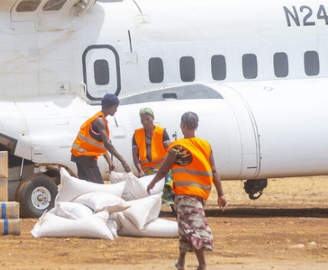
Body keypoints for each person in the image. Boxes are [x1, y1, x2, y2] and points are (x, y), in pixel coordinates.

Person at [146, 111, 227, 270]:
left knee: (193, 229)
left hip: (185, 194)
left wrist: (152, 183)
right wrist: (221, 194)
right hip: (200, 195)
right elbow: (214, 171)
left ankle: (203, 265)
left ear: (183, 126)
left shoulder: (177, 147)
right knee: (184, 228)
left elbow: (163, 170)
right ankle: (181, 262)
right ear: (196, 126)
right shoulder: (205, 145)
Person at [70, 93, 131, 183]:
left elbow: (101, 144)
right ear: (108, 107)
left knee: (85, 184)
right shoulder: (100, 121)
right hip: (85, 157)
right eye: (115, 107)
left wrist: (109, 161)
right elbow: (107, 144)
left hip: (80, 155)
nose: (116, 110)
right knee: (97, 184)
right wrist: (123, 162)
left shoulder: (100, 119)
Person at [132, 107, 175, 206]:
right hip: (146, 171)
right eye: (142, 120)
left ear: (153, 118)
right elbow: (135, 155)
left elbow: (170, 150)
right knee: (147, 195)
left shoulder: (161, 132)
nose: (145, 122)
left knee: (169, 191)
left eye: (148, 119)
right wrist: (140, 171)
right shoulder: (137, 134)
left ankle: (175, 212)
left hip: (161, 169)